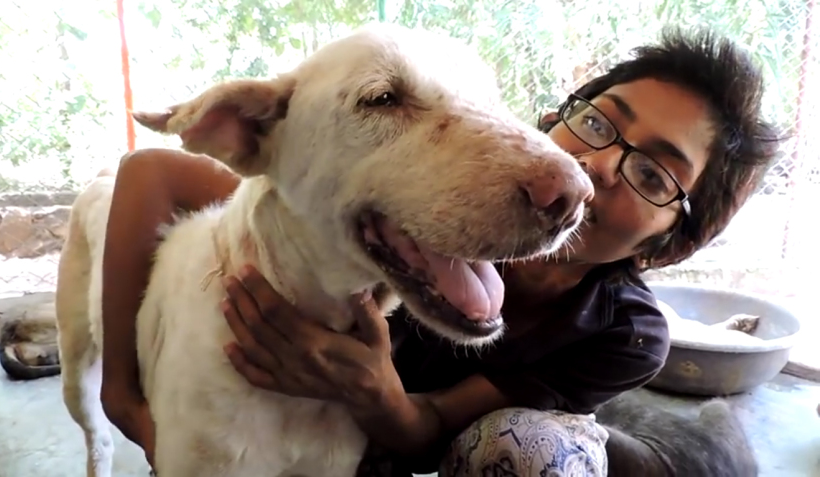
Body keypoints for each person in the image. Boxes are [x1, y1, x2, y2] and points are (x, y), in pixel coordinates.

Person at [98, 26, 781, 476]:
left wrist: (371, 387)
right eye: (598, 122)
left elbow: (427, 436)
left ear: (671, 239)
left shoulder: (625, 333)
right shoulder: (322, 184)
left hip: (445, 436)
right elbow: (148, 172)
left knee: (530, 449)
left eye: (654, 175)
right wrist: (122, 393)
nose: (588, 173)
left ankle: (709, 441)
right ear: (556, 117)